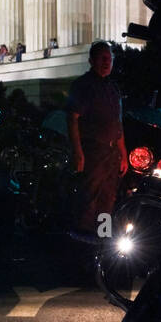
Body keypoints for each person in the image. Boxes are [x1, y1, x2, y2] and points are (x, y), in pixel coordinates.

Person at [66, 41, 127, 235]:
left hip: (111, 154)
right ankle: (83, 243)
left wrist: (123, 154)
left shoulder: (113, 89)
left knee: (108, 201)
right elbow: (73, 119)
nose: (106, 62)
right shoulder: (83, 86)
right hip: (92, 151)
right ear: (91, 60)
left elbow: (118, 124)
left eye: (109, 59)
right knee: (89, 199)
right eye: (102, 58)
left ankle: (102, 241)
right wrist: (78, 153)